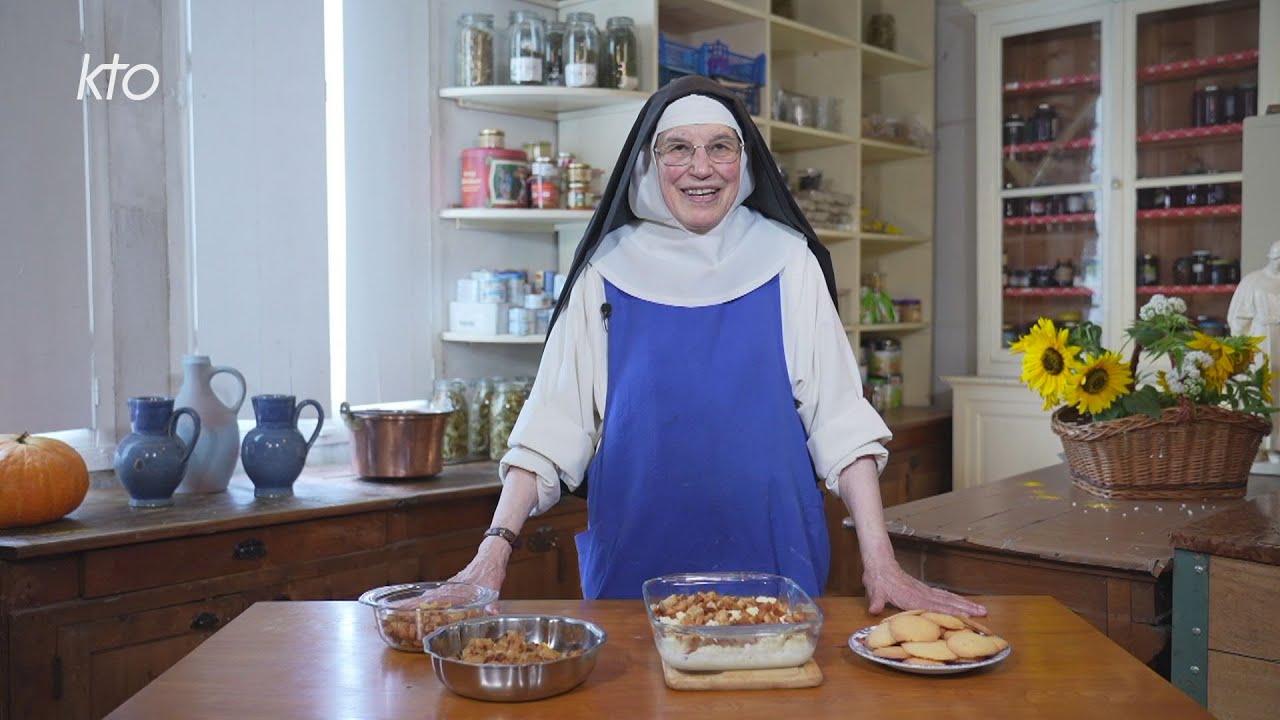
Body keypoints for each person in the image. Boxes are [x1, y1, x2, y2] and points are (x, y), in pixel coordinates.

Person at [450, 76, 985, 617]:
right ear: (649, 161)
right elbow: (551, 427)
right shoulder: (604, 270)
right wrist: (491, 555)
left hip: (774, 557)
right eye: (679, 148)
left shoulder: (788, 260)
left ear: (743, 160)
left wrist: (881, 562)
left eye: (720, 147)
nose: (701, 168)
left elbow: (841, 421)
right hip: (637, 559)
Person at [1228, 239, 1280, 454]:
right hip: (1260, 339)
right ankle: (1256, 446)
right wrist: (1240, 345)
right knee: (1258, 387)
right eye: (1277, 258)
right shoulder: (1253, 281)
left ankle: (1276, 446)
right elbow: (1238, 317)